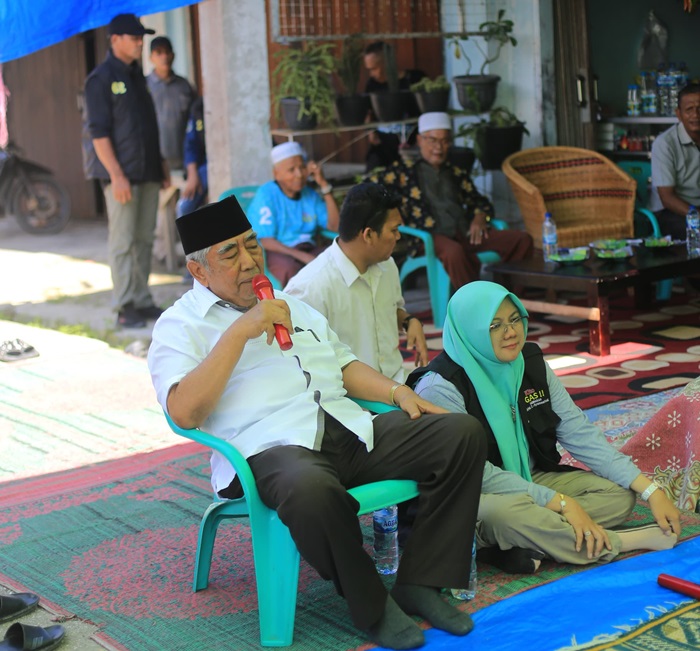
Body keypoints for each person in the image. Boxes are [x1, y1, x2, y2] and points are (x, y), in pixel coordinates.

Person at [147, 195, 488, 650]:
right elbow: (184, 411)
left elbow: (343, 364)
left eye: (252, 245)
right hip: (269, 451)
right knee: (310, 488)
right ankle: (373, 605)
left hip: (345, 427)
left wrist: (397, 391)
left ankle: (421, 583)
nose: (250, 261)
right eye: (231, 253)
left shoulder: (290, 303)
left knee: (460, 433)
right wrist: (240, 331)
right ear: (198, 271)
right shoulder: (178, 326)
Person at [408, 280, 682, 572]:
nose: (511, 332)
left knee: (620, 495)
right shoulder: (440, 388)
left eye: (515, 319)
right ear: (471, 331)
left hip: (530, 477)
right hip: (469, 495)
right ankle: (618, 542)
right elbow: (475, 473)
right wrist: (562, 503)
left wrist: (651, 490)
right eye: (495, 325)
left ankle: (524, 542)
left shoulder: (528, 361)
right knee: (507, 515)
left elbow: (578, 431)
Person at [369, 112, 533, 290]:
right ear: (419, 140)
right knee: (454, 251)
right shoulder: (401, 173)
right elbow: (371, 194)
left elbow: (479, 201)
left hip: (464, 232)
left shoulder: (455, 173)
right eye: (432, 140)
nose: (439, 147)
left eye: (445, 141)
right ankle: (474, 306)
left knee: (521, 239)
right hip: (429, 237)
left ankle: (512, 298)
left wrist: (479, 217)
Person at [284, 182, 429, 382]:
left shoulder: (387, 266)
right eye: (394, 229)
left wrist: (409, 321)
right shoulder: (309, 289)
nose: (398, 236)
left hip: (396, 383)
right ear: (368, 234)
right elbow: (304, 368)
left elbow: (390, 308)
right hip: (351, 402)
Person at [83, 13, 170, 328]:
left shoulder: (138, 77)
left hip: (147, 171)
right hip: (122, 176)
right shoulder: (101, 79)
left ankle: (142, 300)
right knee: (123, 241)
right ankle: (124, 305)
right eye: (134, 38)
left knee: (145, 238)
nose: (139, 43)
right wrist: (116, 175)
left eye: (141, 37)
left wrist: (160, 164)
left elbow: (148, 126)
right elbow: (99, 134)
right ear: (115, 39)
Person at [248, 142, 340, 286]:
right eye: (291, 170)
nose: (299, 174)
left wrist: (323, 185)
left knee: (338, 259)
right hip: (278, 251)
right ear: (276, 173)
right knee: (291, 270)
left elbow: (335, 226)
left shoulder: (310, 195)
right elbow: (266, 240)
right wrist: (303, 256)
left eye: (302, 167)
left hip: (308, 248)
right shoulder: (267, 194)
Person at [363, 41, 425, 172]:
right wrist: (370, 132)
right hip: (384, 145)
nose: (372, 74)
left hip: (414, 145)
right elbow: (368, 113)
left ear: (387, 62)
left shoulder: (415, 79)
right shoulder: (372, 85)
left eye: (374, 68)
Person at [651, 83, 700, 240]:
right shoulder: (665, 143)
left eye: (699, 109)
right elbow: (667, 198)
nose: (696, 115)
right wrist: (697, 216)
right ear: (678, 114)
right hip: (672, 212)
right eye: (689, 110)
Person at [146, 36, 196, 173]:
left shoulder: (185, 86)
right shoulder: (143, 86)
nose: (164, 57)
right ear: (151, 58)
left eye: (167, 52)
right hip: (155, 165)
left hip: (185, 163)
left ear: (173, 55)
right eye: (159, 53)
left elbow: (195, 122)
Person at [177, 96, 207, 218]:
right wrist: (192, 174)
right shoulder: (199, 107)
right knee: (184, 207)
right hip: (206, 167)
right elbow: (191, 145)